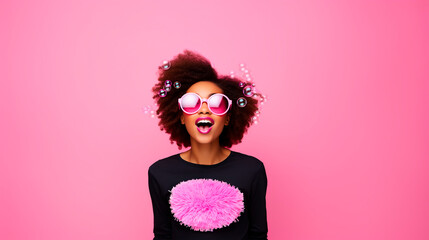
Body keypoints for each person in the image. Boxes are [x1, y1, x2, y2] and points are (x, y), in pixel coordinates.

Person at [148, 50, 268, 240]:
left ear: (228, 118)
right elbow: (162, 236)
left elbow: (258, 236)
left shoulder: (252, 170)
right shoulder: (159, 172)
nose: (204, 109)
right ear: (181, 116)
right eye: (192, 102)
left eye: (216, 103)